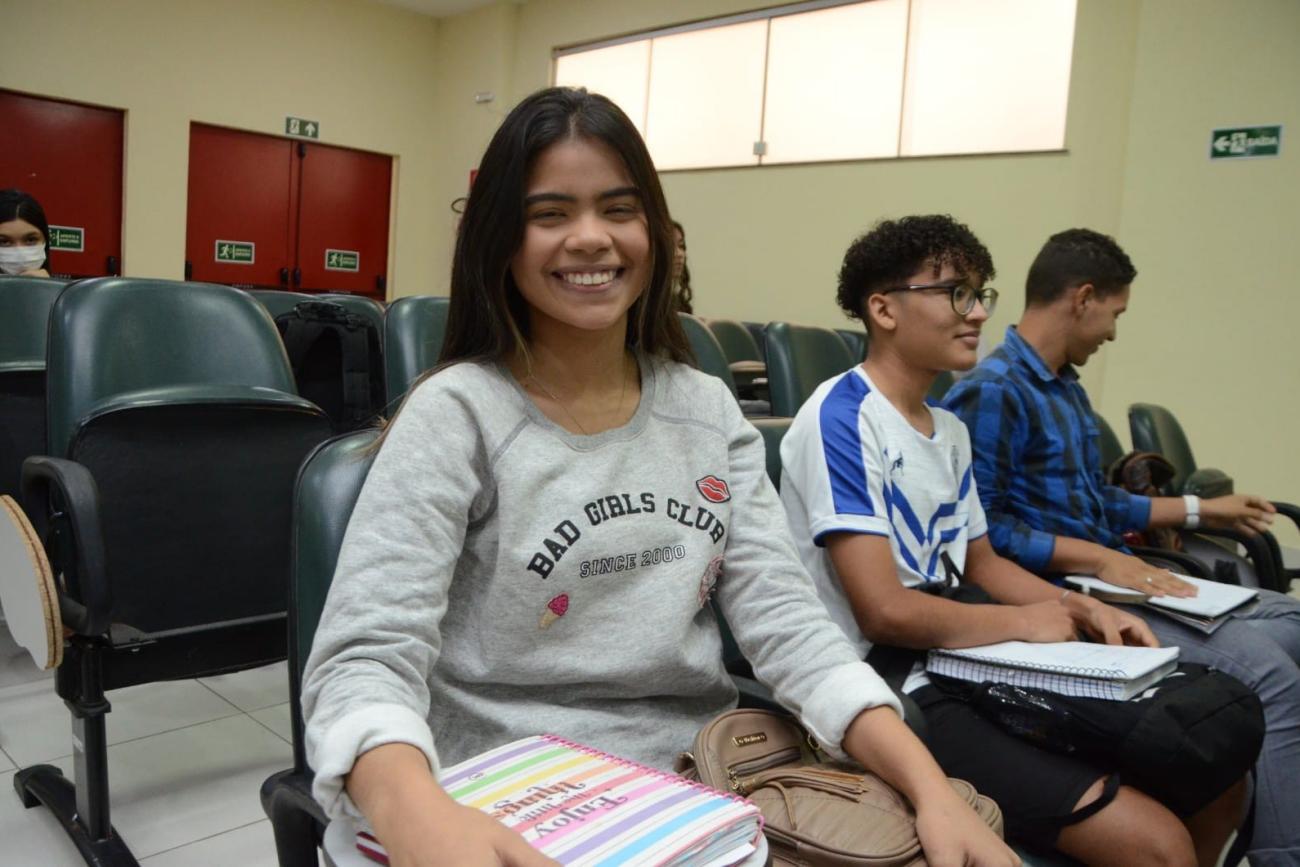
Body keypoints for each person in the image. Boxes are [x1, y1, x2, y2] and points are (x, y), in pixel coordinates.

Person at [301, 90, 1016, 867]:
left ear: (656, 232)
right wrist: (417, 816)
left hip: (702, 789)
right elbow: (365, 656)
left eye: (618, 208)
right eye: (549, 214)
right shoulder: (457, 413)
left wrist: (930, 786)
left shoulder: (705, 410)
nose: (590, 238)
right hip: (506, 797)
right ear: (499, 239)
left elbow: (790, 627)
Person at [779, 214, 1247, 865]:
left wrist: (1082, 607)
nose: (976, 313)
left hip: (966, 658)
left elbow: (984, 561)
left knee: (1222, 776)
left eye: (980, 294)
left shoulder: (948, 429)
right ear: (883, 308)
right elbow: (882, 610)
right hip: (894, 686)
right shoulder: (842, 415)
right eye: (955, 293)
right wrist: (1025, 621)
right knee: (1160, 843)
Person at [944, 227, 1300, 866]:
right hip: (1072, 593)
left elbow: (1098, 504)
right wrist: (1104, 561)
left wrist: (1198, 507)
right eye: (1115, 313)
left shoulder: (1065, 389)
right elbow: (988, 532)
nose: (1113, 331)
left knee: (1294, 625)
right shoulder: (993, 389)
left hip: (1115, 574)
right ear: (1083, 298)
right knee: (1269, 671)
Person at [0, 189, 52, 277]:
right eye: (4, 242)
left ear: (45, 241)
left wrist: (47, 288)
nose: (20, 253)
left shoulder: (66, 290)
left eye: (31, 240)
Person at [670, 218, 693, 313]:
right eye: (671, 246)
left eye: (681, 246)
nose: (680, 254)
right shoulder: (639, 304)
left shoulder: (680, 304)